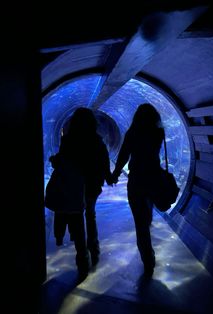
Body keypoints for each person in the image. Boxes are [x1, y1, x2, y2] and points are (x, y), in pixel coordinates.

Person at [49, 107, 112, 282]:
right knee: (90, 215)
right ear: (93, 122)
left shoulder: (68, 140)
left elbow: (61, 162)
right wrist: (109, 177)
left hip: (73, 187)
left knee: (77, 220)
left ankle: (82, 258)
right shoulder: (97, 141)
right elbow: (105, 163)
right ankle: (95, 249)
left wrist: (54, 161)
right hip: (92, 186)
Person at [111, 103, 165, 276]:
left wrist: (115, 174)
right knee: (147, 216)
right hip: (153, 179)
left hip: (136, 180)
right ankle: (149, 253)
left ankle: (147, 259)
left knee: (140, 223)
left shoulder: (132, 133)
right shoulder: (159, 133)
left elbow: (123, 155)